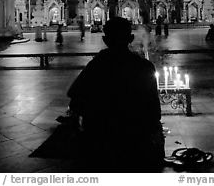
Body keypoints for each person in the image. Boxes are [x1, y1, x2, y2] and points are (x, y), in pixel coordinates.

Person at [67, 17, 165, 172]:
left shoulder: (97, 66)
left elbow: (75, 100)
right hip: (137, 140)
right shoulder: (144, 66)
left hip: (102, 140)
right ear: (131, 38)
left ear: (105, 40)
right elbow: (154, 110)